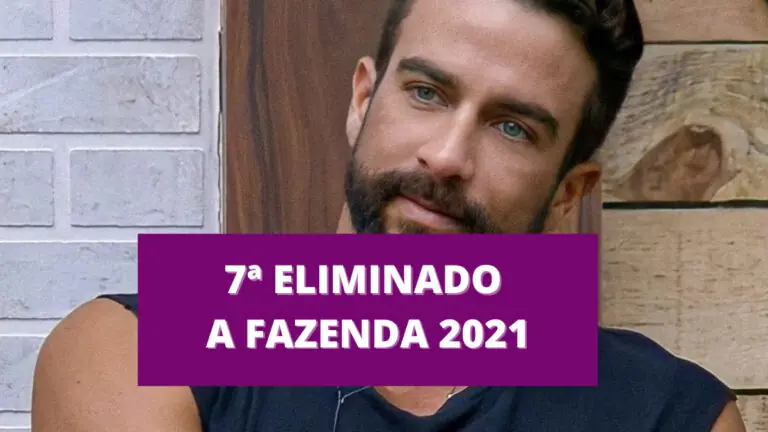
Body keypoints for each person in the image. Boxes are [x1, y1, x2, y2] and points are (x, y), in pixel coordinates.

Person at [31, 0, 746, 430]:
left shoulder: (668, 411)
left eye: (513, 128)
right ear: (361, 100)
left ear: (569, 191)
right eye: (428, 93)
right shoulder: (139, 347)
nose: (447, 156)